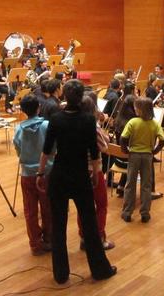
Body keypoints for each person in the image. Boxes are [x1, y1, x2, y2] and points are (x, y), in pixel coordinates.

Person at [36, 79, 117, 284]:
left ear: (65, 96)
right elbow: (94, 152)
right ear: (81, 98)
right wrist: (96, 173)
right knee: (90, 227)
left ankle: (61, 274)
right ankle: (100, 270)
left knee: (58, 227)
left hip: (60, 176)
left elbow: (47, 150)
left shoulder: (56, 119)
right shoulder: (88, 120)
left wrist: (40, 173)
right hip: (81, 176)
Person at [13, 94, 53, 256]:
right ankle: (49, 239)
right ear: (39, 108)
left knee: (30, 211)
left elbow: (18, 151)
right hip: (46, 173)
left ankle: (35, 244)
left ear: (23, 110)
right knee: (47, 208)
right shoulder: (47, 126)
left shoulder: (18, 129)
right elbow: (53, 148)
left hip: (27, 175)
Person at [78, 94, 115, 251]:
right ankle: (99, 238)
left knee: (83, 206)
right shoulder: (92, 127)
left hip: (78, 170)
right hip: (94, 170)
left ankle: (84, 237)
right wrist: (100, 126)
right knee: (101, 204)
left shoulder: (72, 123)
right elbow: (104, 146)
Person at [120, 97, 164, 223]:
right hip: (147, 156)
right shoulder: (154, 123)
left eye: (136, 107)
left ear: (140, 109)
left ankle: (127, 212)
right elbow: (163, 140)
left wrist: (125, 150)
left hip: (134, 155)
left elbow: (123, 138)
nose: (134, 109)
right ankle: (145, 213)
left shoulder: (133, 122)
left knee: (130, 184)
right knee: (146, 185)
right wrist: (155, 151)